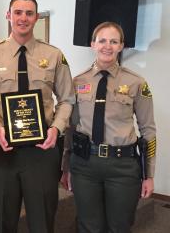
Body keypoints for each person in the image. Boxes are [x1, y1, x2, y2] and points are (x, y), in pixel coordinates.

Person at [0, 0, 75, 233]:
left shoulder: (54, 55)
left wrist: (56, 128)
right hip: (5, 149)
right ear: (8, 16)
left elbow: (68, 98)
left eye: (29, 13)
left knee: (42, 220)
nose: (23, 18)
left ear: (37, 18)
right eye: (17, 12)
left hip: (43, 150)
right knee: (5, 221)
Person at [60, 21, 156, 233]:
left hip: (123, 167)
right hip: (84, 165)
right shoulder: (77, 82)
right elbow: (70, 127)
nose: (107, 46)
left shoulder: (136, 83)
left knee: (119, 226)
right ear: (93, 44)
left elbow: (148, 130)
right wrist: (66, 166)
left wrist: (149, 174)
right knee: (88, 225)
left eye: (114, 41)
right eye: (102, 40)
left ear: (121, 46)